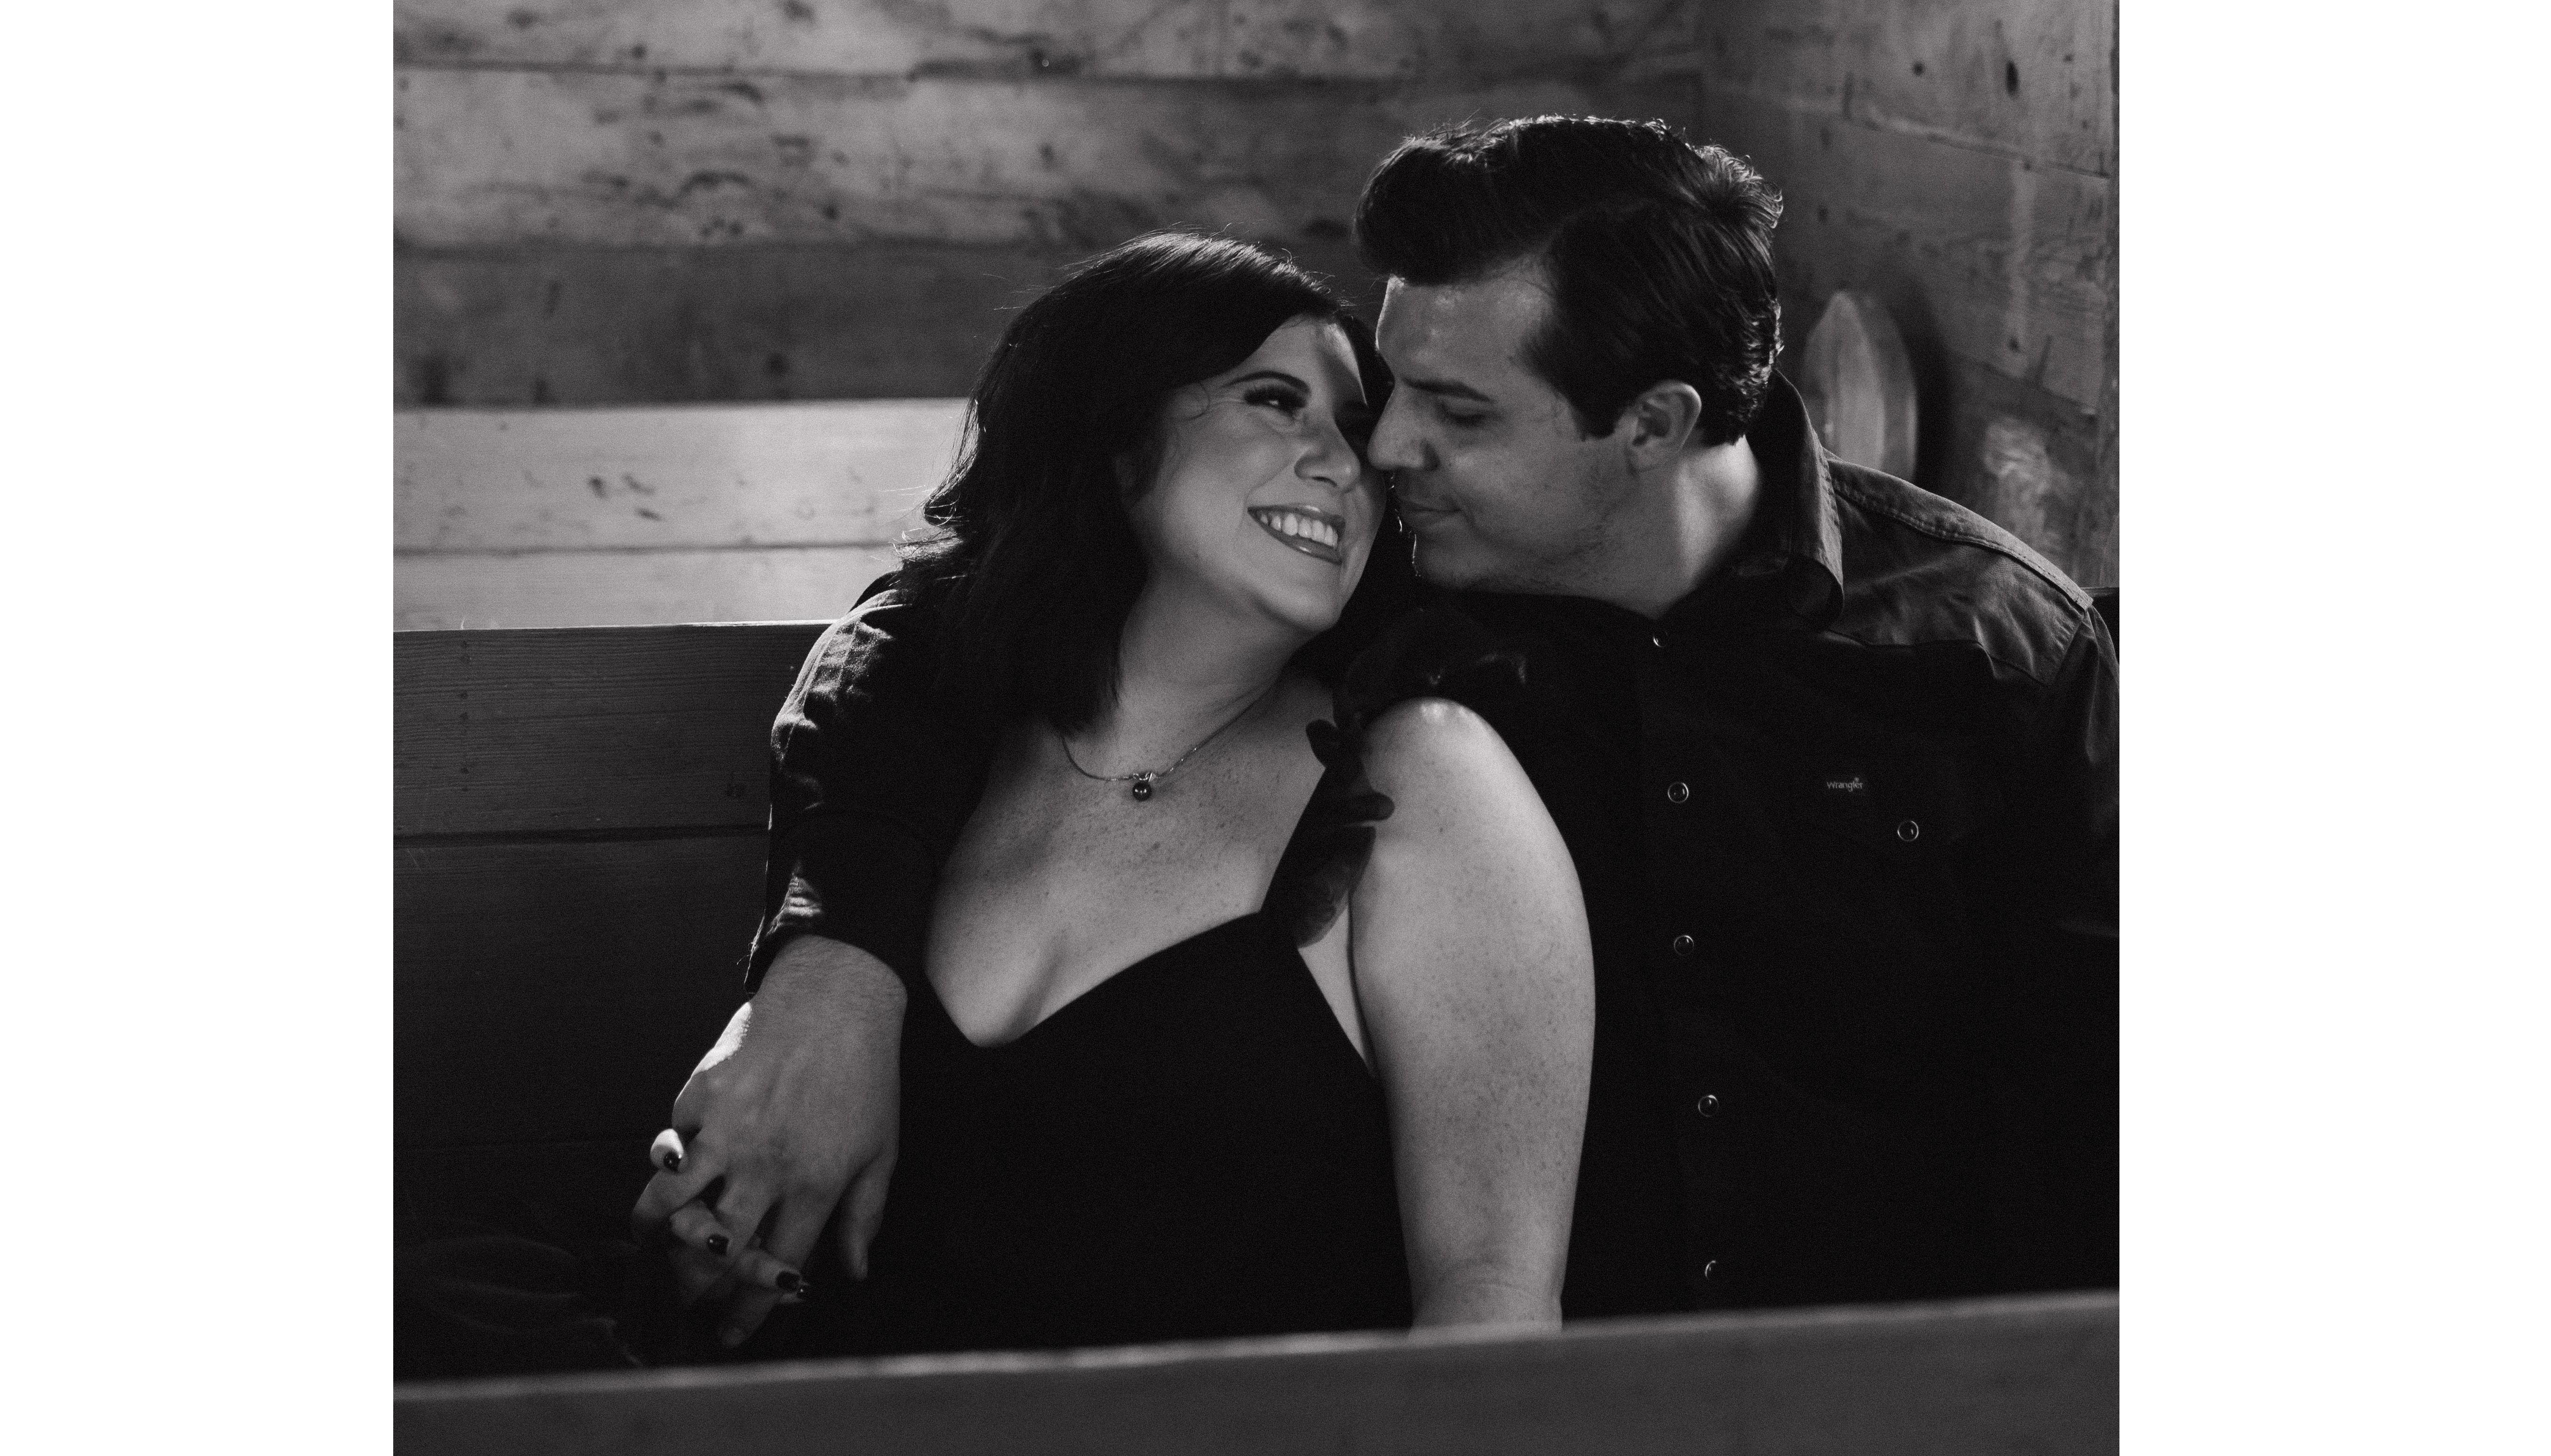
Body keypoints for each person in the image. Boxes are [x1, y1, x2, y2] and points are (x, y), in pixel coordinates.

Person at [639, 117, 2117, 1341]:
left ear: (1653, 426)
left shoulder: (1993, 648)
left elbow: (2098, 1112)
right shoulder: (1398, 557)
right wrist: (831, 974)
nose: (1384, 448)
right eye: (1388, 388)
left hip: (1893, 1406)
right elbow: (925, 631)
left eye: (1456, 411)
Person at [633, 232, 1592, 1355]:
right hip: (833, 1437)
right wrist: (719, 1242)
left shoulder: (1425, 778)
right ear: (1114, 429)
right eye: (1276, 401)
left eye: (1353, 426)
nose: (1345, 462)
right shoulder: (936, 746)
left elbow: (1492, 1301)